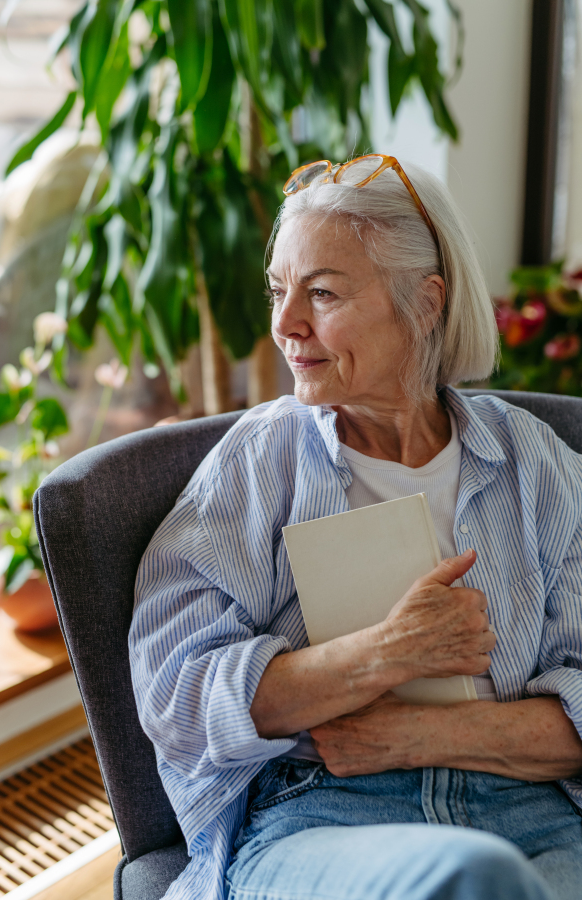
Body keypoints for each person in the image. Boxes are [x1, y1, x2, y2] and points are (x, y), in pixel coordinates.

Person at [129, 155, 582, 900]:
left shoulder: (533, 462)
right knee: (476, 878)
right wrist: (382, 655)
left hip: (527, 811)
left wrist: (418, 736)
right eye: (279, 291)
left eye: (323, 293)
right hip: (321, 816)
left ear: (425, 302)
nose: (284, 325)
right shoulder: (259, 461)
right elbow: (175, 698)